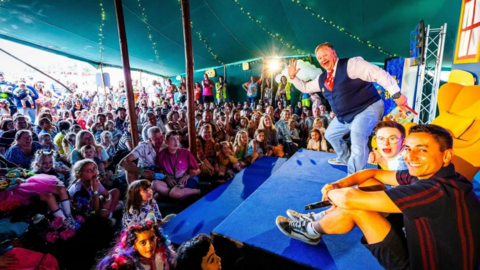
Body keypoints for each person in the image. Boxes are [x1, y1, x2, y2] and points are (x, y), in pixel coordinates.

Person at [276, 124, 480, 269]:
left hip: (420, 263)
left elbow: (348, 199)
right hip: (417, 239)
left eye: (422, 150)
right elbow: (373, 173)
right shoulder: (437, 175)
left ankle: (310, 229)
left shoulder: (436, 191)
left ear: (446, 156)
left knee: (355, 205)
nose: (411, 157)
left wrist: (333, 192)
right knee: (366, 186)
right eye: (408, 149)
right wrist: (340, 184)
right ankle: (320, 219)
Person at [287, 42, 408, 175]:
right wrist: (293, 77)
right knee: (330, 135)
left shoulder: (351, 65)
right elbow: (306, 87)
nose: (322, 59)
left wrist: (396, 93)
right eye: (319, 58)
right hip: (345, 115)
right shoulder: (321, 78)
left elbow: (378, 74)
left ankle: (354, 178)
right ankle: (345, 159)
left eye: (325, 55)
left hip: (367, 107)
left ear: (334, 53)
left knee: (357, 137)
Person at [68, 159, 120, 224]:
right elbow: (93, 209)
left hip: (91, 203)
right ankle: (105, 220)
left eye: (94, 168)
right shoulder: (78, 190)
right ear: (80, 176)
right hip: (83, 212)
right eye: (88, 171)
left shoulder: (94, 180)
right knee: (104, 212)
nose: (93, 171)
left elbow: (107, 194)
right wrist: (95, 190)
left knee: (115, 192)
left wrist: (109, 200)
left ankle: (110, 216)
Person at [156, 131, 201, 198]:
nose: (176, 141)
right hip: (172, 181)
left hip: (185, 180)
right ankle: (176, 194)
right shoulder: (161, 154)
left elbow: (198, 170)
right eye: (172, 139)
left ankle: (197, 191)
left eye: (177, 139)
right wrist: (166, 178)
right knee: (154, 184)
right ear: (166, 142)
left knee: (171, 194)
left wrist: (187, 176)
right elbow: (161, 171)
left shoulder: (185, 153)